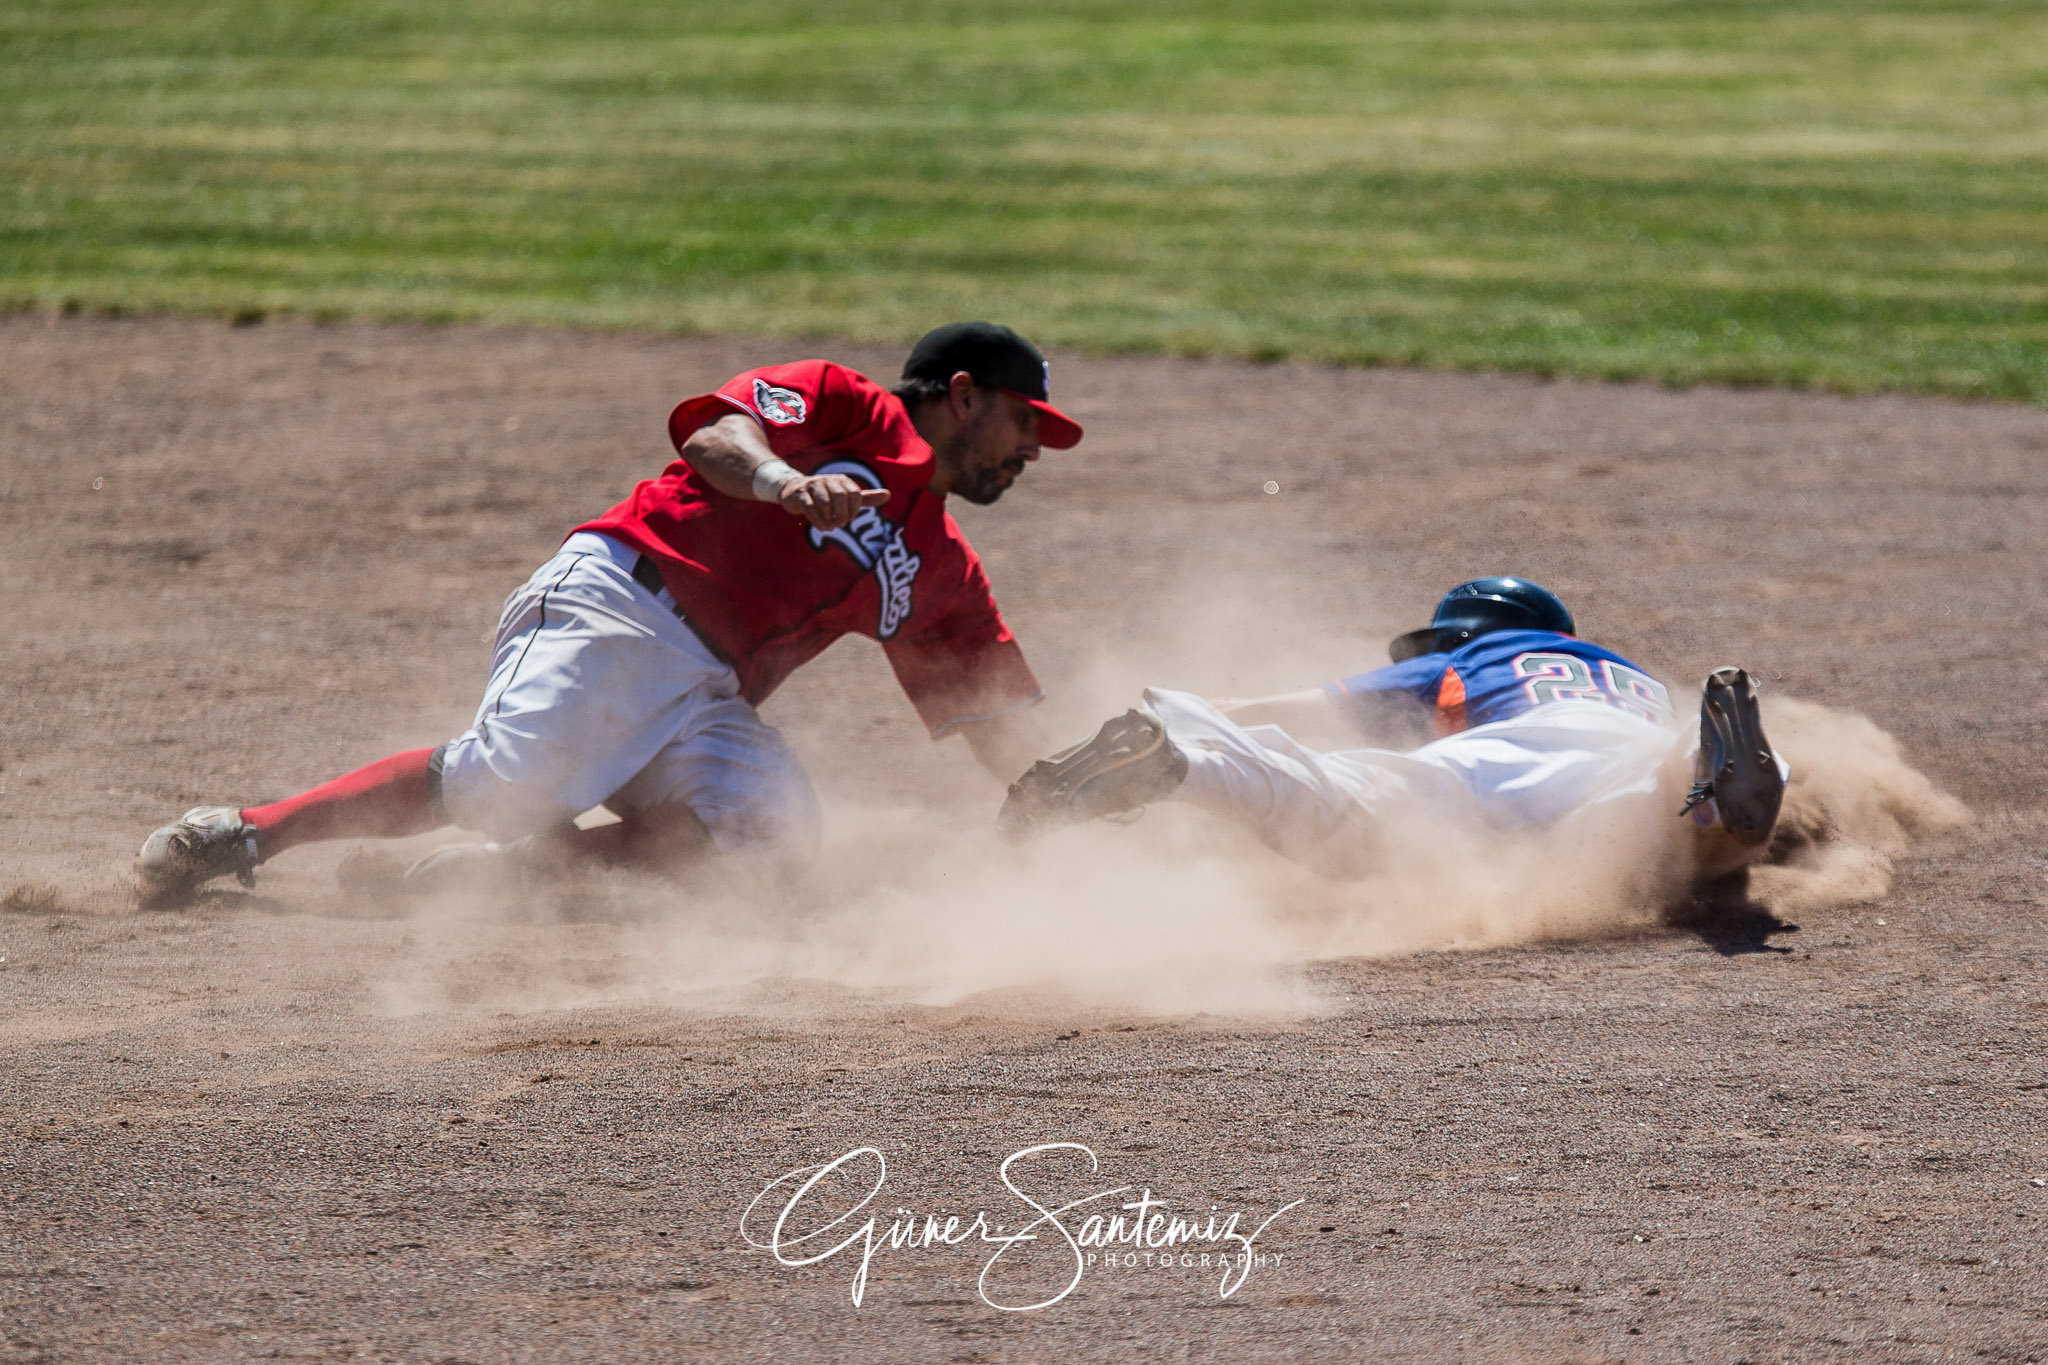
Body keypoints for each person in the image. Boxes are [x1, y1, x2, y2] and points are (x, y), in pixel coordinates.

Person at [138, 322, 1083, 904]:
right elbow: (718, 433)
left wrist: (1071, 801)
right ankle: (248, 829)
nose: (1035, 450)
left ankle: (513, 884)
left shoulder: (940, 566)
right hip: (623, 604)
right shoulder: (847, 405)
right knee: (508, 783)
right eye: (1028, 421)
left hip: (707, 692)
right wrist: (781, 482)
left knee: (770, 830)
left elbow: (995, 721)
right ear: (964, 397)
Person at [997, 577, 1787, 883]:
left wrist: (1211, 710)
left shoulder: (1482, 655)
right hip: (1642, 747)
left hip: (1508, 758)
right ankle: (1709, 760)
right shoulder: (1630, 678)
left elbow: (1303, 709)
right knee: (1676, 825)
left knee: (1339, 811)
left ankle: (1176, 761)